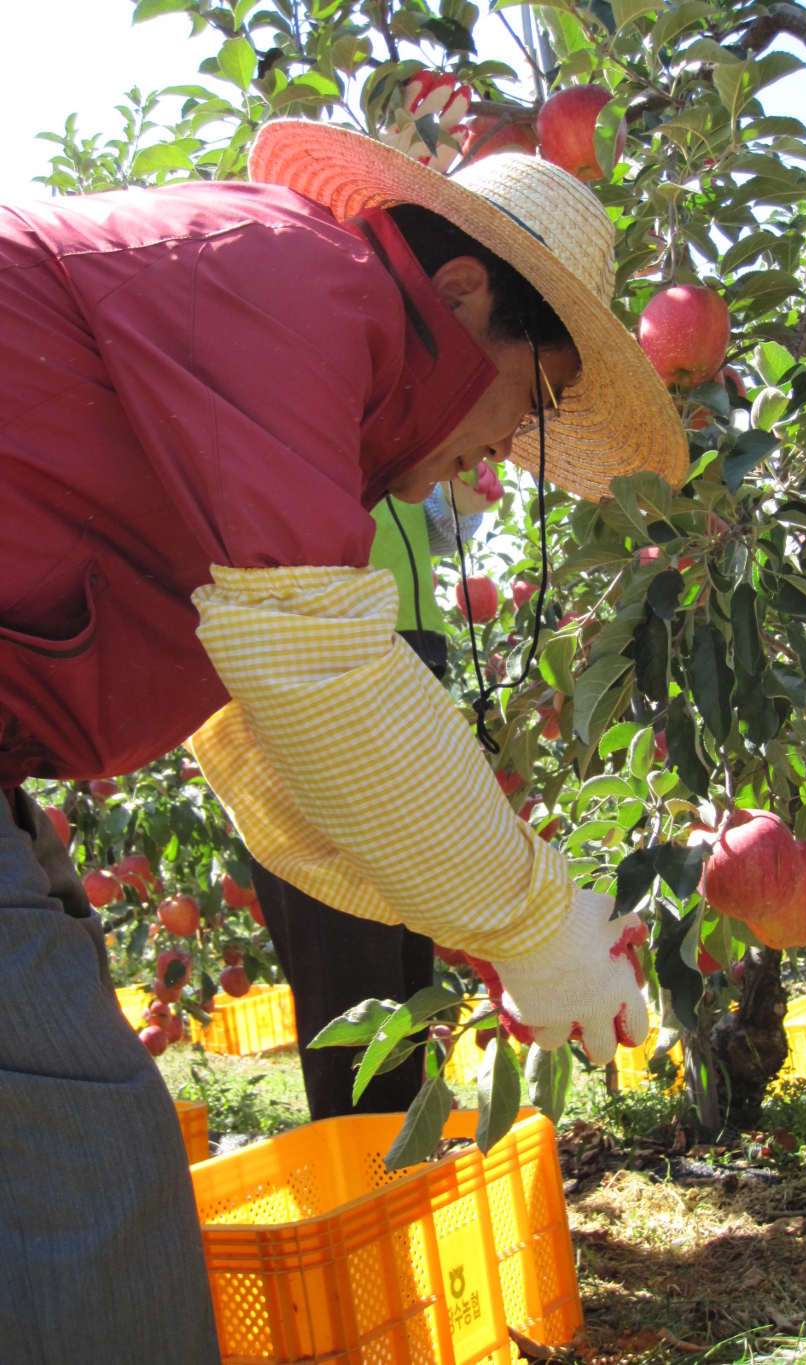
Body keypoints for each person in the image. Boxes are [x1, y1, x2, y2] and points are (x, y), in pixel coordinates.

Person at [0, 121, 687, 1362]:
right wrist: (530, 921)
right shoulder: (294, 284)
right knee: (83, 1179)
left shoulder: (283, 340)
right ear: (465, 294)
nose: (504, 466)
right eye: (527, 407)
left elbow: (258, 739)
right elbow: (318, 671)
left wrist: (482, 915)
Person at [254, 479, 498, 1119]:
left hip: (407, 650)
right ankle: (365, 1160)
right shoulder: (299, 387)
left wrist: (461, 502)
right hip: (313, 646)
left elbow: (430, 527)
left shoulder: (397, 394)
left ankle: (394, 1155)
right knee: (344, 935)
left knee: (402, 933)